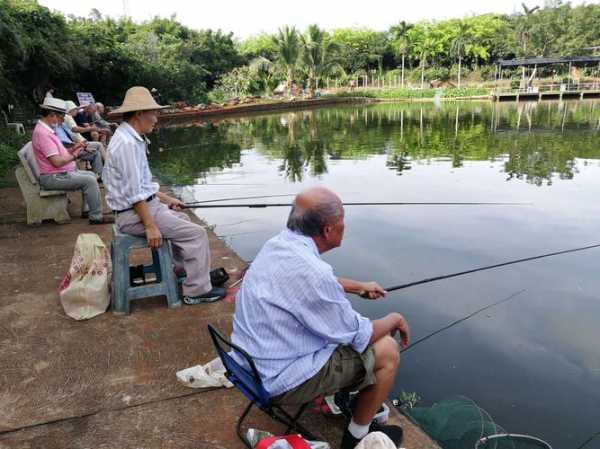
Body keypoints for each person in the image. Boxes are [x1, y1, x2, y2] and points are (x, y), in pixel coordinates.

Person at [231, 187, 410, 449]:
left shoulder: (277, 245)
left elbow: (304, 282)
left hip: (246, 364)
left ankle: (347, 402)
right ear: (328, 230)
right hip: (278, 380)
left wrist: (357, 285)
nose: (344, 227)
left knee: (338, 335)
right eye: (342, 222)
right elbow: (360, 334)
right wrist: (395, 319)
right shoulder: (315, 273)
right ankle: (356, 436)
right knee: (387, 349)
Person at [102, 86, 225, 304]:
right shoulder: (127, 144)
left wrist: (168, 201)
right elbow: (135, 195)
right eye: (154, 112)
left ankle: (181, 272)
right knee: (197, 234)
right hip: (134, 214)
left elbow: (142, 186)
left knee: (184, 219)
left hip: (143, 207)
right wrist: (150, 226)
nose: (156, 118)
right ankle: (196, 291)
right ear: (140, 114)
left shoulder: (130, 137)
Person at [31, 97, 112, 225]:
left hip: (56, 174)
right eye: (61, 117)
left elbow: (59, 154)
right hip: (52, 177)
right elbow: (57, 162)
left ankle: (88, 210)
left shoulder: (47, 130)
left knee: (91, 175)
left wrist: (75, 148)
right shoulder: (43, 134)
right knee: (90, 180)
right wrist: (75, 156)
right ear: (52, 115)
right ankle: (96, 217)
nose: (62, 120)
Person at [55, 113, 103, 177]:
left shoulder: (62, 126)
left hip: (75, 147)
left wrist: (83, 146)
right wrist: (79, 146)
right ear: (56, 118)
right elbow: (64, 144)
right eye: (62, 118)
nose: (64, 120)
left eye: (64, 118)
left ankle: (99, 174)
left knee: (95, 152)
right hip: (69, 150)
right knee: (97, 148)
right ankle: (102, 171)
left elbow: (73, 137)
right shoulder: (54, 129)